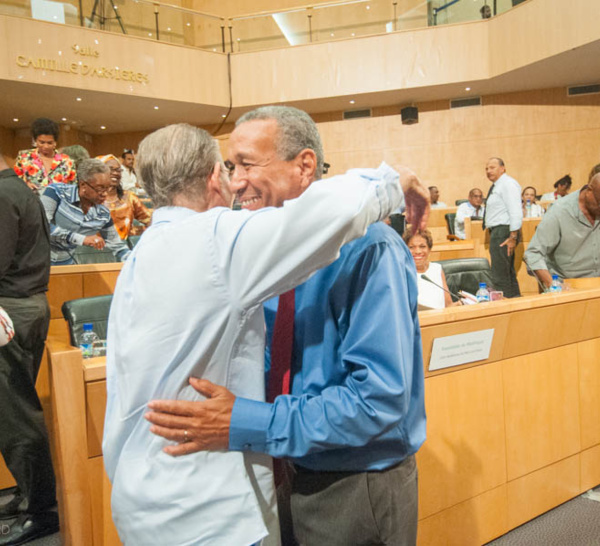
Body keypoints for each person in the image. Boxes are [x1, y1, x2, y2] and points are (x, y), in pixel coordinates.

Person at [102, 121, 412, 546]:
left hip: (348, 479)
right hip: (263, 472)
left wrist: (250, 421)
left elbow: (379, 398)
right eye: (230, 167)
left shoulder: (368, 247)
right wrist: (398, 180)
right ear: (213, 177)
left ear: (305, 165)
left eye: (246, 164)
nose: (237, 181)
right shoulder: (236, 247)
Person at [0, 152, 59, 545]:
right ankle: (29, 495)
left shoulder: (3, 195)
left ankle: (38, 510)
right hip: (25, 306)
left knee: (16, 414)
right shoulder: (19, 189)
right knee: (15, 410)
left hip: (10, 310)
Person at [40, 159, 131, 265]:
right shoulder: (56, 192)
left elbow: (117, 246)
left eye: (108, 188)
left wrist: (133, 260)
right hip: (36, 261)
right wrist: (81, 239)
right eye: (100, 188)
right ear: (83, 185)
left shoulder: (103, 214)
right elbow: (42, 227)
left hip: (66, 265)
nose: (105, 194)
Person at [524, 173, 600, 287]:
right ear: (589, 191)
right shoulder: (559, 211)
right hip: (568, 285)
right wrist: (553, 286)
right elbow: (533, 254)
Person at [483, 157, 522, 298]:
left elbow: (516, 211)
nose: (488, 171)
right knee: (507, 273)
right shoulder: (498, 185)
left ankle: (507, 308)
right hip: (500, 232)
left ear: (503, 168)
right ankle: (516, 305)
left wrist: (513, 237)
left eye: (492, 167)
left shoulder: (508, 184)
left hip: (504, 232)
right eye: (486, 168)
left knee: (500, 275)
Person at [13, 118, 76, 193]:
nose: (46, 146)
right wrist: (25, 185)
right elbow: (14, 182)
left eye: (49, 143)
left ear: (55, 142)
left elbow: (73, 188)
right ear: (35, 141)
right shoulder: (24, 157)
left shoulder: (67, 161)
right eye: (42, 142)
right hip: (30, 201)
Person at [96, 154, 152, 239]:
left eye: (118, 170)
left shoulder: (130, 197)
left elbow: (150, 221)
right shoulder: (87, 200)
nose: (115, 173)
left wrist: (135, 231)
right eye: (110, 169)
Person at [403, 227, 454, 308]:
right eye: (411, 247)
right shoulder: (402, 273)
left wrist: (461, 305)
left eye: (422, 246)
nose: (417, 251)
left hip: (441, 319)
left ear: (429, 249)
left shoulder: (437, 269)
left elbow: (449, 305)